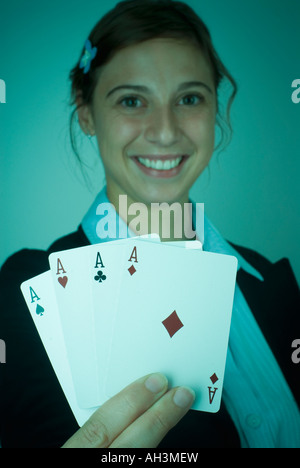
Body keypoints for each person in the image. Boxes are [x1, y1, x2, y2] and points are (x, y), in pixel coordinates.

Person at [0, 0, 299, 449]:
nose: (164, 131)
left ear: (215, 107)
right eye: (132, 100)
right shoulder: (28, 289)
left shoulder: (273, 281)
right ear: (86, 113)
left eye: (189, 98)